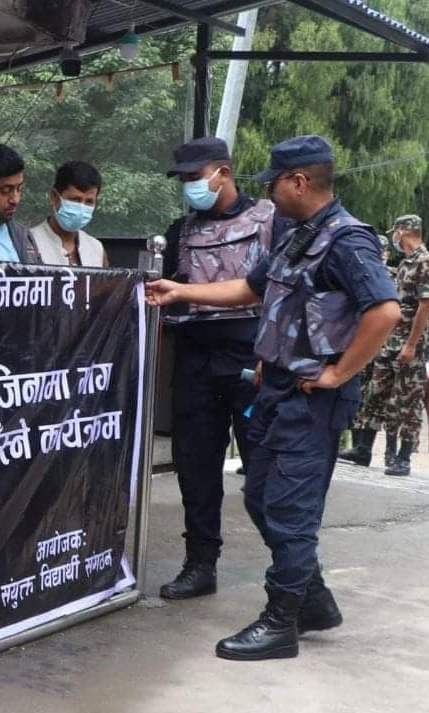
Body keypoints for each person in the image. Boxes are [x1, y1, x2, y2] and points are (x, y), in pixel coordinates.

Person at [145, 135, 399, 660]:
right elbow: (251, 290)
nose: (271, 193)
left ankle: (282, 621)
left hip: (312, 396)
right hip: (277, 386)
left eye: (277, 182)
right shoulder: (299, 236)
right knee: (261, 495)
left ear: (300, 181)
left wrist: (339, 373)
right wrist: (181, 290)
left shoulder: (346, 240)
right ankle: (315, 603)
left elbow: (385, 312)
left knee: (289, 507)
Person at [155, 136, 289, 601]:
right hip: (195, 359)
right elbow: (164, 297)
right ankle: (200, 563)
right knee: (195, 468)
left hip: (253, 360)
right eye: (185, 180)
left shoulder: (272, 221)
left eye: (196, 177)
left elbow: (284, 294)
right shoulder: (181, 231)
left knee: (265, 474)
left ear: (223, 173)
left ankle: (294, 576)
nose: (190, 187)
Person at [340, 214, 429, 475]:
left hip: (410, 344)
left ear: (404, 231)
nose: (394, 237)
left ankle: (403, 457)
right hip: (390, 341)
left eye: (395, 232)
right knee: (375, 392)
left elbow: (425, 307)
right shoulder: (406, 263)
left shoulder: (426, 262)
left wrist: (411, 344)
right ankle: (362, 449)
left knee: (406, 400)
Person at [29, 161, 108, 267]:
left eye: (89, 202)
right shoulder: (29, 243)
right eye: (74, 200)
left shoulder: (96, 249)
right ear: (54, 197)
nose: (81, 207)